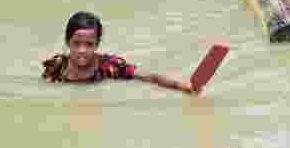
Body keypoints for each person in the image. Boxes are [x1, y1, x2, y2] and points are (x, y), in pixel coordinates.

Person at [42, 11, 196, 93]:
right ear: (67, 42)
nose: (82, 50)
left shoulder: (109, 66)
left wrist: (181, 86)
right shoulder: (57, 67)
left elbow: (149, 77)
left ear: (97, 44)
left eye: (89, 44)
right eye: (76, 44)